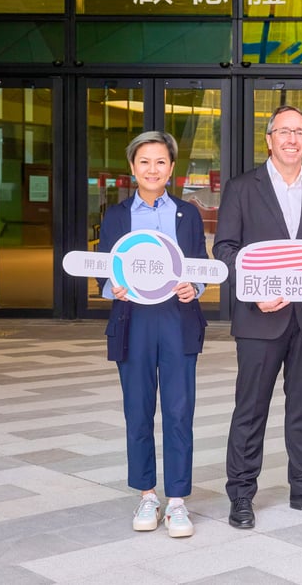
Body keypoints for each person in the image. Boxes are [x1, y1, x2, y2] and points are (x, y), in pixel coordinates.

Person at [213, 105, 302, 529]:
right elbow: (226, 249)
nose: (292, 139)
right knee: (250, 408)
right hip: (259, 318)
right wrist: (257, 292)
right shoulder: (241, 188)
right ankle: (241, 494)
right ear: (269, 139)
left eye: (300, 132)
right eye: (283, 131)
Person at [98, 131, 208, 539]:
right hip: (133, 322)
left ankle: (178, 501)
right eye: (144, 161)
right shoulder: (116, 216)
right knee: (138, 411)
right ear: (133, 167)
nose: (152, 169)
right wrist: (114, 287)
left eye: (160, 161)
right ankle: (147, 494)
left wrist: (192, 286)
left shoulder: (188, 214)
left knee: (179, 412)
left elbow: (200, 266)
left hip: (177, 321)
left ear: (172, 168)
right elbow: (103, 272)